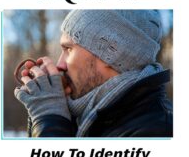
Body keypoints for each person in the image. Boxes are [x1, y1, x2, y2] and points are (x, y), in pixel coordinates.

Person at [14, 10, 173, 137]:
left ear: (112, 51)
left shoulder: (156, 131)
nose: (60, 64)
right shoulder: (88, 116)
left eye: (68, 49)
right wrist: (48, 115)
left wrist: (49, 118)